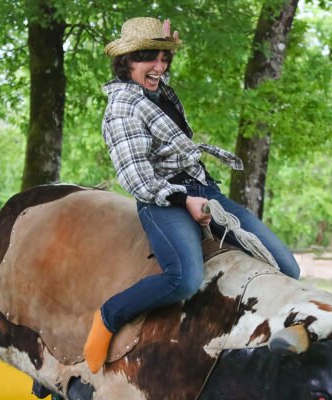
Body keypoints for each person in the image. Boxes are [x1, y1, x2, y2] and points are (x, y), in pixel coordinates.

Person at [83, 17, 300, 373]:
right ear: (126, 63)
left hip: (204, 188)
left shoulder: (155, 89)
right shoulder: (121, 107)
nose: (159, 67)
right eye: (148, 59)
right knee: (183, 279)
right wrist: (184, 201)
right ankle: (108, 316)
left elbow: (159, 71)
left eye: (164, 59)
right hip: (162, 199)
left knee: (286, 266)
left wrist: (164, 45)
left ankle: (264, 342)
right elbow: (137, 180)